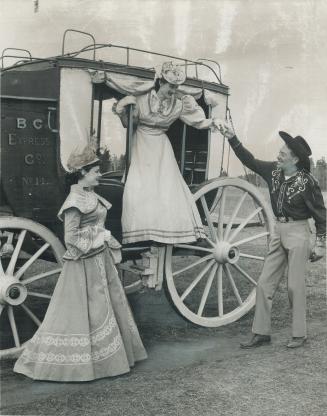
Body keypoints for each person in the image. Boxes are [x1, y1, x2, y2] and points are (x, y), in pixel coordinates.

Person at [14, 144, 147, 381]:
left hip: (99, 260)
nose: (99, 175)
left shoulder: (90, 195)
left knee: (103, 307)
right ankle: (78, 364)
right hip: (84, 263)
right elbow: (71, 238)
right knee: (82, 311)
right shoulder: (75, 200)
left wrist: (105, 238)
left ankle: (107, 361)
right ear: (83, 174)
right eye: (96, 171)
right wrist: (100, 237)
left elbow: (95, 225)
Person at [219, 122, 326, 349]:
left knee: (294, 287)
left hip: (299, 233)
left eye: (283, 153)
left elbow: (321, 216)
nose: (278, 154)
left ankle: (299, 334)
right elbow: (249, 161)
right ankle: (261, 333)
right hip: (279, 232)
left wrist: (320, 245)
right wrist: (232, 138)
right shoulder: (273, 172)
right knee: (264, 284)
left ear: (295, 159)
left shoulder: (308, 183)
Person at [113, 61, 220, 244]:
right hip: (142, 143)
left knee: (168, 188)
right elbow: (128, 123)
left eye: (176, 86)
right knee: (140, 187)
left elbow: (197, 121)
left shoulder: (179, 105)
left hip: (162, 145)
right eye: (171, 86)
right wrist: (122, 109)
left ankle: (167, 231)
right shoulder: (142, 99)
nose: (173, 90)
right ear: (161, 82)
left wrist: (214, 122)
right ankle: (142, 232)